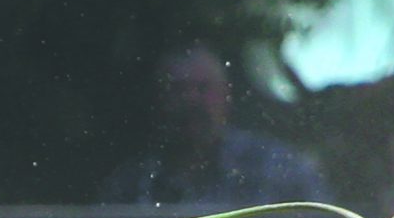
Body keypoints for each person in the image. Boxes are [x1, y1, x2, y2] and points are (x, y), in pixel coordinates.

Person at [98, 46, 325, 207]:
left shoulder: (281, 168)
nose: (191, 100)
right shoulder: (131, 184)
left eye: (203, 88)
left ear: (226, 95)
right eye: (178, 89)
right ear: (158, 99)